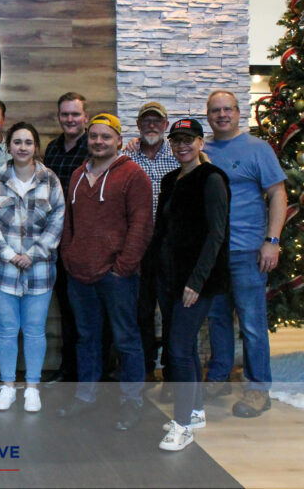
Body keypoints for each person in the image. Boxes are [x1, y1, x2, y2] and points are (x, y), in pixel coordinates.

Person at [57, 113, 152, 430]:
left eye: (105, 136)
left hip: (116, 276)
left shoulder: (133, 176)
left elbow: (141, 226)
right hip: (79, 274)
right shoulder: (77, 175)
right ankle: (86, 397)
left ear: (119, 141)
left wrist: (122, 267)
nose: (98, 141)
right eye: (94, 136)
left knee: (126, 340)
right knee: (87, 339)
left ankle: (131, 402)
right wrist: (68, 254)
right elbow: (68, 222)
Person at [202, 90, 287, 417]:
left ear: (239, 113)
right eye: (215, 110)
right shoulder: (202, 150)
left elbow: (278, 194)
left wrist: (272, 240)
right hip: (214, 254)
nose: (221, 115)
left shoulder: (257, 149)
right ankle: (219, 377)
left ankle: (257, 390)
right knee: (217, 319)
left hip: (248, 251)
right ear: (207, 115)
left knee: (251, 322)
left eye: (227, 109)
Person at [152, 118, 230, 451]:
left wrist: (196, 282)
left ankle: (183, 425)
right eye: (176, 140)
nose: (182, 145)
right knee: (186, 348)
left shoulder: (212, 179)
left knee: (179, 350)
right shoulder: (171, 180)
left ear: (200, 143)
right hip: (169, 279)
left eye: (188, 139)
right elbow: (164, 232)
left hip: (197, 282)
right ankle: (195, 411)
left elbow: (216, 235)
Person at [0, 122, 65, 412]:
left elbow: (57, 221)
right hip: (1, 270)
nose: (22, 147)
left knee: (34, 331)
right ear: (9, 146)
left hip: (39, 269)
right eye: (17, 142)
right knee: (6, 330)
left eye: (28, 142)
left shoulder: (50, 180)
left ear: (36, 147)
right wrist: (9, 254)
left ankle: (32, 387)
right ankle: (7, 386)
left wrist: (33, 253)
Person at [123, 102, 179, 387]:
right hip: (140, 246)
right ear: (138, 125)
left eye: (157, 121)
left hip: (170, 247)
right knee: (141, 311)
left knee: (170, 311)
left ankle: (171, 372)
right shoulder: (127, 157)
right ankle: (145, 368)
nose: (152, 126)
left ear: (166, 126)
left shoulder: (180, 156)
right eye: (146, 121)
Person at [42, 92, 89, 385]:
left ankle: (92, 374)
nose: (70, 119)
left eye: (75, 114)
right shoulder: (52, 149)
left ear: (85, 116)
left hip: (86, 242)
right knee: (68, 313)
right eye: (65, 114)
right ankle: (69, 370)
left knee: (89, 314)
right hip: (57, 243)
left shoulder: (94, 145)